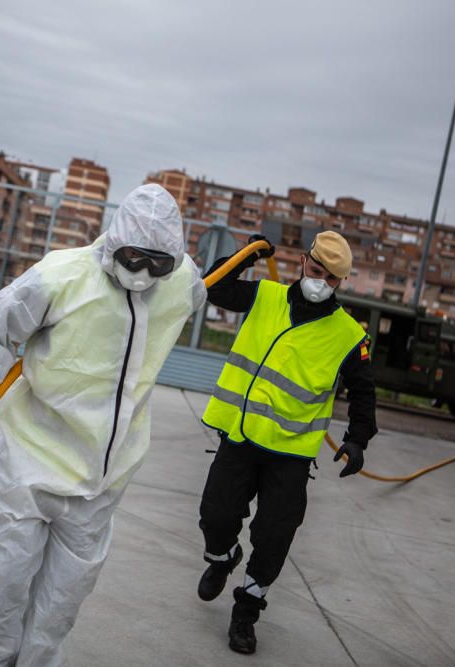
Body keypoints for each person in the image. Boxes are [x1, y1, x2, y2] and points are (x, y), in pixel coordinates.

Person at [0, 183, 207, 666]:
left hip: (104, 479)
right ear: (112, 241)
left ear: (175, 257)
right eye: (133, 258)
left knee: (60, 606)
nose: (144, 274)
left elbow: (200, 286)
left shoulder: (184, 282)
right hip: (31, 462)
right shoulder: (60, 275)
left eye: (158, 264)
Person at [196, 230, 377, 655]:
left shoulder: (349, 335)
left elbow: (363, 391)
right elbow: (212, 287)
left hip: (291, 455)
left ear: (340, 283)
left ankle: (246, 612)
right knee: (216, 517)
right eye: (317, 272)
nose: (321, 283)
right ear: (303, 262)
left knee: (275, 536)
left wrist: (357, 440)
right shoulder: (265, 296)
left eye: (331, 280)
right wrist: (246, 255)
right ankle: (222, 559)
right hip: (239, 437)